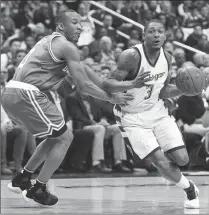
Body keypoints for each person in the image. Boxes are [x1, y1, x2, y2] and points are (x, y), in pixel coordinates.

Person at [1, 9, 141, 206]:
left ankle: (23, 178)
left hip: (12, 93)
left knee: (55, 137)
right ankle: (39, 187)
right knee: (65, 137)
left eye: (81, 23)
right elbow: (84, 86)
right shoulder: (66, 46)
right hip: (26, 92)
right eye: (75, 22)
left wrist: (122, 86)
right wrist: (112, 99)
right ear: (61, 26)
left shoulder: (55, 45)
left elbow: (92, 76)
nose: (80, 27)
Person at [102, 19, 200, 209]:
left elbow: (162, 91)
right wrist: (132, 84)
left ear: (165, 36)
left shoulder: (168, 58)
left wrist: (184, 90)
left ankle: (167, 166)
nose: (156, 35)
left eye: (160, 31)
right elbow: (107, 84)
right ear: (143, 35)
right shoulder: (131, 56)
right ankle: (189, 189)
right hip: (132, 116)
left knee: (182, 159)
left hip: (157, 111)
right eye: (151, 32)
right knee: (161, 162)